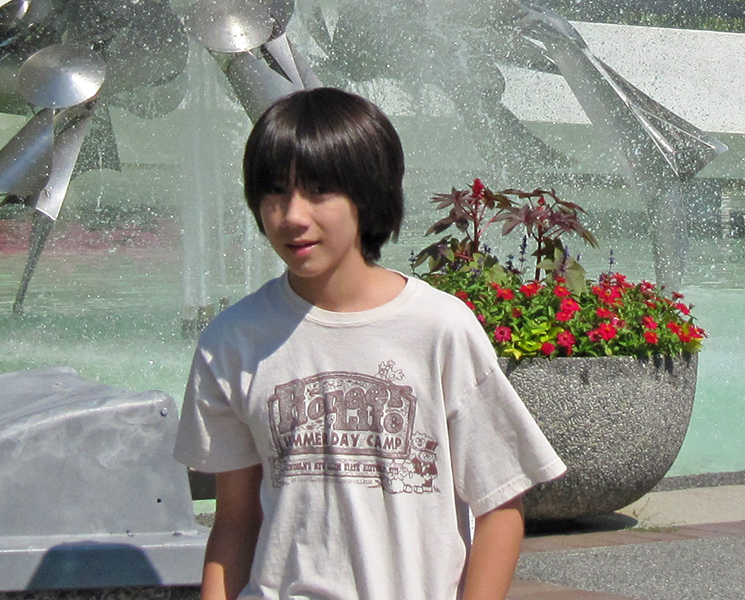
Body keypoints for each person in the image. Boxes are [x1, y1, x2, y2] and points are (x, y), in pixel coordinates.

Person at [173, 87, 566, 600]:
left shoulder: (439, 329)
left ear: (368, 195)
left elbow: (500, 506)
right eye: (275, 193)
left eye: (317, 192)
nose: (291, 215)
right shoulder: (232, 342)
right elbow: (235, 521)